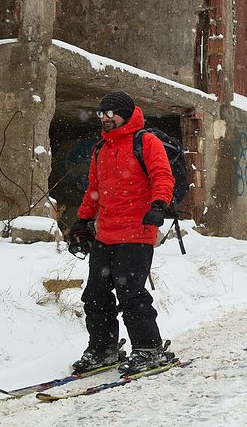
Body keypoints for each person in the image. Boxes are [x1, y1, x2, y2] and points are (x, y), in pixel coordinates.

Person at [66, 91, 176, 376]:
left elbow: (163, 175)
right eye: (101, 113)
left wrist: (158, 205)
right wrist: (81, 222)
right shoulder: (100, 149)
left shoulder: (145, 142)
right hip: (106, 234)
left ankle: (149, 348)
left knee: (131, 294)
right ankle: (104, 348)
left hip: (137, 232)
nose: (104, 118)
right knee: (95, 295)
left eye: (110, 113)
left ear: (125, 114)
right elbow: (94, 190)